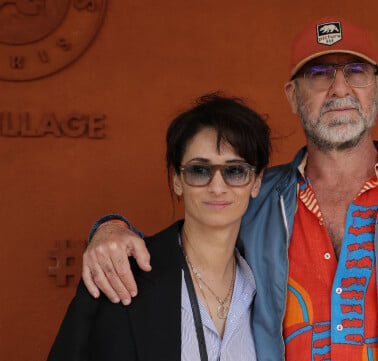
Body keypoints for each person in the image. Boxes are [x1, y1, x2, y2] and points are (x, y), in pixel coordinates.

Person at [81, 16, 378, 361]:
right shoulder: (257, 198)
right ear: (293, 96)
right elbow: (189, 246)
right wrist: (111, 229)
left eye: (355, 72)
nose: (339, 89)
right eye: (319, 74)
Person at [47, 93, 271, 361]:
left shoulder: (270, 283)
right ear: (177, 179)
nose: (217, 186)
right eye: (200, 170)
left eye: (235, 171)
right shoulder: (120, 277)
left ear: (256, 182)